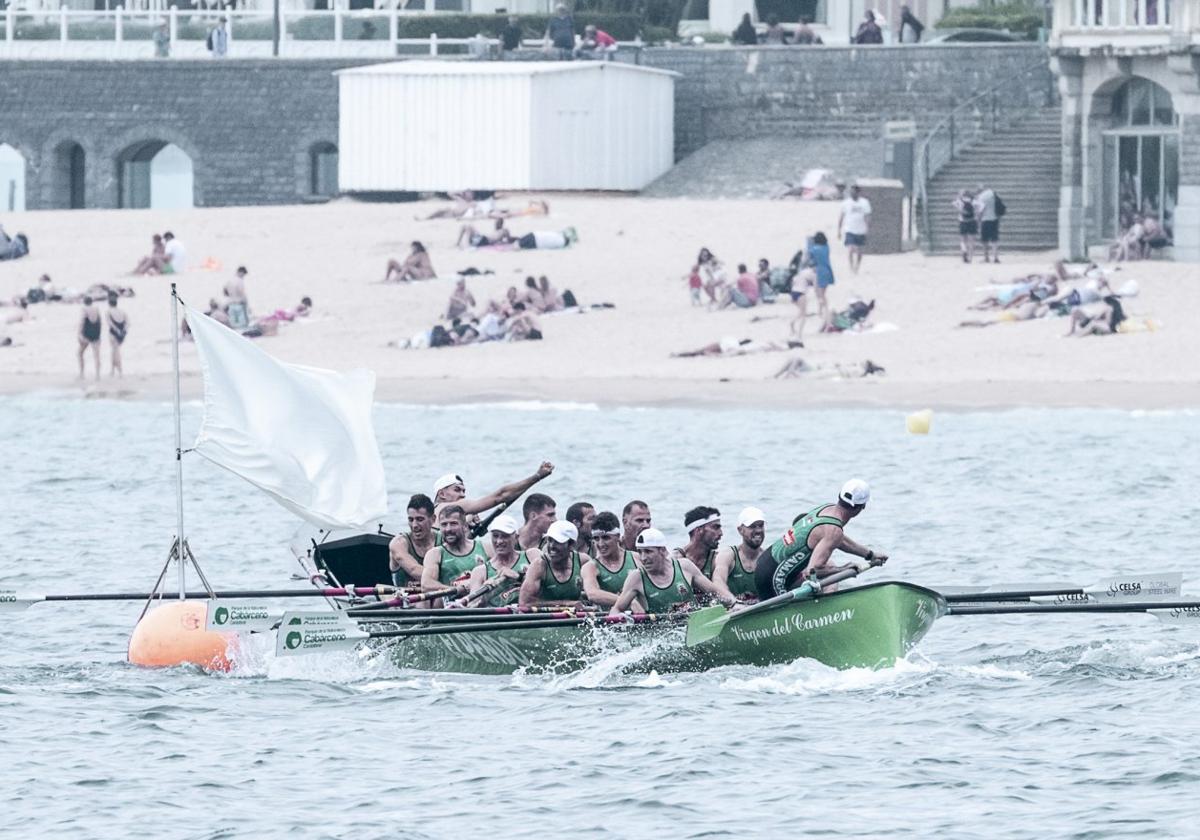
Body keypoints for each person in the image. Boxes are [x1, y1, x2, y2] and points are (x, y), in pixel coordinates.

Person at [754, 479, 888, 600]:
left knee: (829, 567)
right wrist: (843, 569)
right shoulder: (834, 530)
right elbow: (812, 571)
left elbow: (841, 540)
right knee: (830, 570)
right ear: (861, 507)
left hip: (764, 563)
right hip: (773, 578)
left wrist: (870, 554)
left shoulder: (827, 509)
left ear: (840, 497)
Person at [610, 528, 737, 615]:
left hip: (693, 627)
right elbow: (616, 609)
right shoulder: (636, 578)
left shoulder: (685, 566)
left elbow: (714, 592)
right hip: (662, 636)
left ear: (662, 551)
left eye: (648, 551)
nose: (643, 558)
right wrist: (618, 618)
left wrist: (734, 604)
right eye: (640, 552)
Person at [421, 505, 489, 599]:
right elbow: (426, 585)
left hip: (481, 605)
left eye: (453, 524)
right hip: (451, 608)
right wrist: (457, 589)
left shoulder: (485, 548)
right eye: (444, 524)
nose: (448, 529)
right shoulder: (435, 554)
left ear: (465, 526)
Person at [518, 521, 587, 608]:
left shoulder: (583, 561)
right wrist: (565, 604)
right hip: (545, 619)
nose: (551, 546)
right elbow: (524, 603)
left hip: (573, 618)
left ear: (571, 545)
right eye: (550, 540)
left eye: (558, 542)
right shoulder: (539, 565)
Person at [463, 515, 529, 607]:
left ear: (516, 537)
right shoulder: (480, 571)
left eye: (505, 536)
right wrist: (485, 596)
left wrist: (519, 577)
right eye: (495, 536)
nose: (499, 541)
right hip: (497, 619)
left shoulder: (531, 556)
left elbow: (546, 586)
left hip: (528, 617)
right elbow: (471, 608)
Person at [581, 511, 637, 608]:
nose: (601, 544)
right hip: (609, 620)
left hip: (638, 617)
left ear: (618, 537)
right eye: (596, 539)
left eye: (606, 538)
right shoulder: (590, 567)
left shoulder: (636, 558)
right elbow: (592, 594)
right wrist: (629, 602)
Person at [388, 493, 442, 589]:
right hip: (407, 600)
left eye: (420, 519)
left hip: (439, 597)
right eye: (411, 519)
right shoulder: (398, 543)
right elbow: (414, 570)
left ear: (433, 519)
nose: (414, 525)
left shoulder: (443, 539)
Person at [712, 507, 766, 600]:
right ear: (740, 530)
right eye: (752, 526)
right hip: (734, 609)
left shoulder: (767, 558)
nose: (758, 531)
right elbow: (718, 581)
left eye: (761, 525)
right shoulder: (728, 555)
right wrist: (733, 602)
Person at [676, 506, 723, 578]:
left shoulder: (718, 560)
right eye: (716, 527)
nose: (721, 533)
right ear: (698, 530)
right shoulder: (675, 560)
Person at [838, 184, 871, 274]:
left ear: (858, 192)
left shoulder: (864, 203)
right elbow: (842, 216)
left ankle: (857, 266)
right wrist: (839, 230)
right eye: (851, 192)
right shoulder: (845, 203)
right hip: (849, 229)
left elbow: (867, 216)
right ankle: (851, 267)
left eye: (854, 192)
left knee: (859, 250)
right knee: (850, 248)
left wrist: (867, 227)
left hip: (861, 230)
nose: (852, 194)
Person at [805, 232, 835, 322]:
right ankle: (820, 311)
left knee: (819, 294)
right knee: (822, 293)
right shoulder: (826, 248)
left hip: (819, 272)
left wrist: (808, 242)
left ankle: (825, 311)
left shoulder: (814, 250)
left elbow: (808, 254)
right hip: (827, 270)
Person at [973, 185, 1002, 264]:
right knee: (994, 239)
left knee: (985, 240)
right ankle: (996, 257)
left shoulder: (980, 197)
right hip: (994, 219)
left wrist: (978, 221)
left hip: (985, 220)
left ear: (978, 191)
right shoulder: (993, 193)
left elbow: (980, 211)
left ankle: (986, 258)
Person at [77, 295, 103, 381]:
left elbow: (81, 322)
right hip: (96, 334)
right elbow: (100, 322)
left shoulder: (84, 309)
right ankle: (98, 375)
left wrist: (79, 334)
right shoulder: (96, 309)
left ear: (84, 302)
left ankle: (82, 373)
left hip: (87, 335)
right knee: (96, 355)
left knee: (80, 353)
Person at [106, 291, 128, 377]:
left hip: (113, 334)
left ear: (109, 303)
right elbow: (128, 323)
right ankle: (115, 371)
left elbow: (110, 323)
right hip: (122, 335)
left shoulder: (108, 312)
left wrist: (117, 331)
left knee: (114, 352)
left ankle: (117, 371)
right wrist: (123, 331)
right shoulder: (122, 312)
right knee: (116, 351)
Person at [954, 189, 978, 263]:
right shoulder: (974, 201)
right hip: (972, 221)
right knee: (971, 241)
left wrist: (959, 197)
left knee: (963, 241)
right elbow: (980, 208)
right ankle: (970, 258)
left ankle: (964, 252)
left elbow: (954, 204)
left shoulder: (959, 201)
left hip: (962, 222)